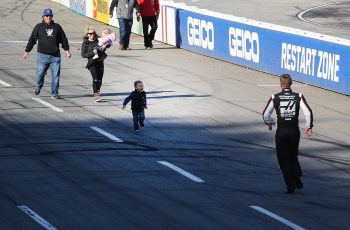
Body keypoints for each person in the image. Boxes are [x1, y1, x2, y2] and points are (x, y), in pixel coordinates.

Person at [262, 74, 313, 194]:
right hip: (295, 131)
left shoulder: (275, 97)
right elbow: (308, 112)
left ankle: (291, 186)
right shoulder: (298, 96)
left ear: (280, 85)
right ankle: (297, 175)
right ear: (291, 84)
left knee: (283, 159)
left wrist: (271, 123)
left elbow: (265, 115)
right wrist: (309, 127)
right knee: (293, 155)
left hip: (281, 132)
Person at [23, 8, 71, 99]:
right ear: (43, 17)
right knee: (39, 74)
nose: (48, 17)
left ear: (52, 17)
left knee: (56, 76)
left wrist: (67, 50)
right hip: (42, 56)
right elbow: (32, 39)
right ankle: (38, 86)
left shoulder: (57, 27)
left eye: (50, 16)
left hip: (55, 56)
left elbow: (63, 39)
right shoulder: (39, 27)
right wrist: (27, 51)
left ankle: (54, 93)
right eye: (46, 16)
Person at [81, 26, 109, 102]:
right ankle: (95, 94)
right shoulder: (85, 43)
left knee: (100, 79)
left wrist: (104, 46)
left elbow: (107, 45)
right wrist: (93, 53)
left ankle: (98, 91)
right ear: (87, 34)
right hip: (92, 63)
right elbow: (83, 55)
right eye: (90, 33)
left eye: (93, 33)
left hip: (100, 61)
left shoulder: (99, 40)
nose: (92, 35)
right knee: (95, 78)